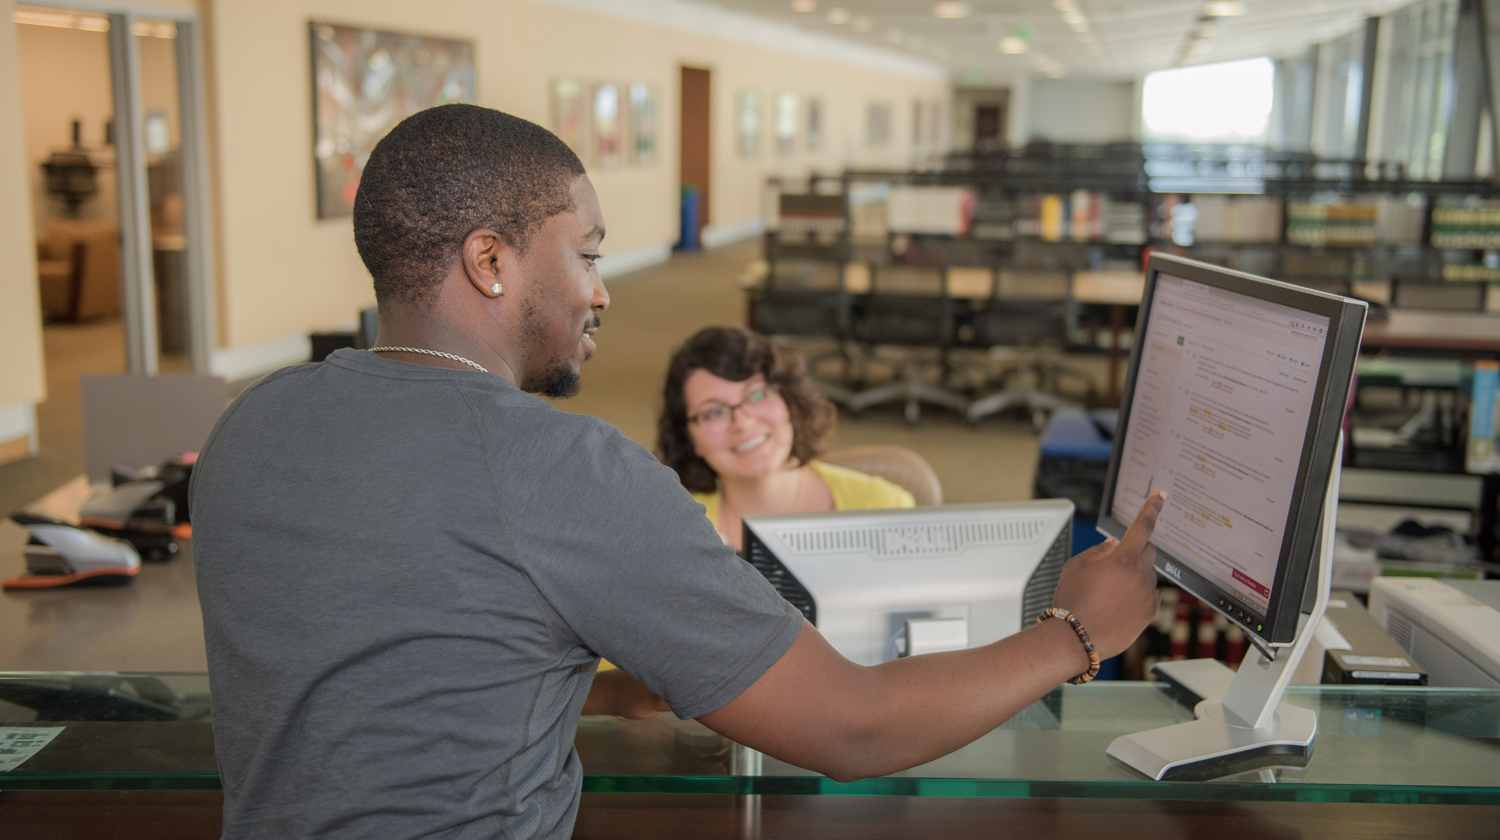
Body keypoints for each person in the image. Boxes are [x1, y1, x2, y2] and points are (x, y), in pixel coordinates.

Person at [191, 104, 1166, 840]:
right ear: (490, 261)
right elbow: (853, 730)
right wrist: (1075, 633)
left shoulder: (250, 424)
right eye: (585, 253)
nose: (603, 290)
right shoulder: (565, 469)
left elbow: (371, 660)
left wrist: (592, 690)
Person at [658, 326, 912, 551]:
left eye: (756, 395)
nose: (742, 423)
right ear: (688, 438)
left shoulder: (885, 508)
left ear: (789, 401)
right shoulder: (673, 533)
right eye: (713, 412)